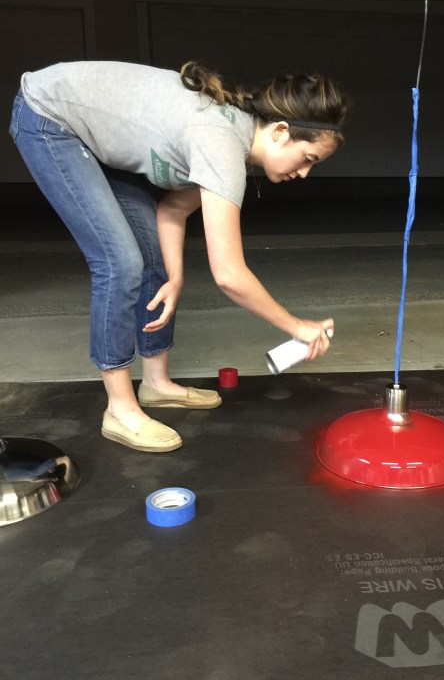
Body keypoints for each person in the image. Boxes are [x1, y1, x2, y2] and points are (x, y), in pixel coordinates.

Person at [9, 60, 350, 453]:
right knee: (120, 262)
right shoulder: (220, 142)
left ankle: (156, 383)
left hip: (90, 133)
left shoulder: (233, 140)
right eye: (308, 158)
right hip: (50, 116)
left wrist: (175, 275)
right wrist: (296, 326)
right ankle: (119, 409)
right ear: (281, 132)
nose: (305, 173)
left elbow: (172, 210)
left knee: (151, 255)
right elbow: (229, 274)